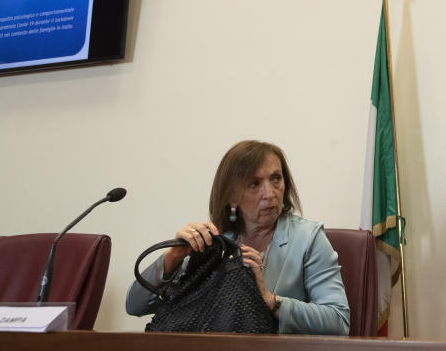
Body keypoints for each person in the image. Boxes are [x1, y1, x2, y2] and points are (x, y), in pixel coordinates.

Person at [127, 140, 350, 335]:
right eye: (255, 184)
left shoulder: (307, 238)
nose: (270, 193)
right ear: (231, 196)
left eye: (276, 179)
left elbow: (339, 321)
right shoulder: (215, 242)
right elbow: (134, 305)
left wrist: (272, 301)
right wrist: (172, 257)